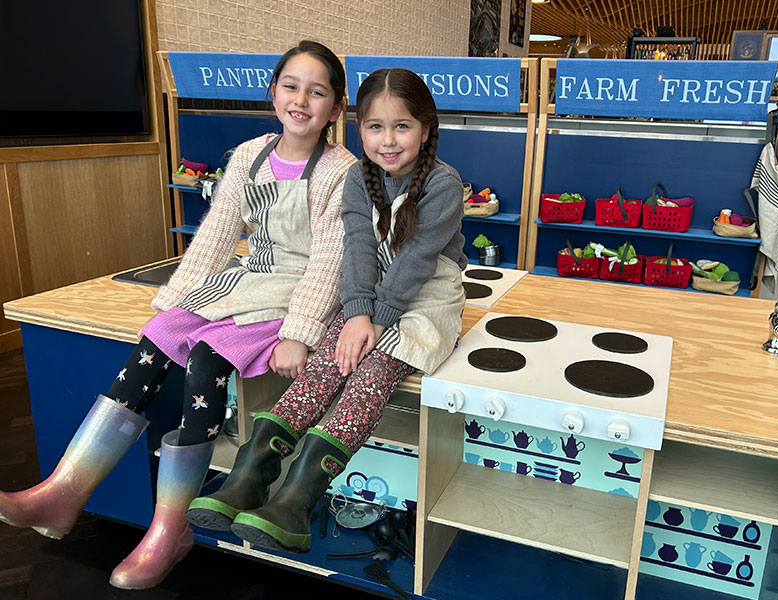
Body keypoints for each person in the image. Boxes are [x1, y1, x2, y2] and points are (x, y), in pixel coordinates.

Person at [0, 40, 357, 588]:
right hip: (248, 279)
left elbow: (330, 262)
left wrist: (300, 334)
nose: (301, 100)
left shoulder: (341, 169)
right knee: (155, 341)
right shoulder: (249, 154)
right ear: (273, 93)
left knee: (208, 360)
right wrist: (175, 306)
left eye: (317, 91)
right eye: (291, 86)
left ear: (336, 109)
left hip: (297, 294)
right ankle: (62, 491)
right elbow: (215, 238)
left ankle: (172, 528)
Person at [187, 67, 467, 554]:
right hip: (370, 289)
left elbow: (416, 264)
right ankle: (252, 474)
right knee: (325, 365)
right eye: (375, 127)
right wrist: (356, 314)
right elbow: (357, 247)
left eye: (402, 126)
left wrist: (374, 322)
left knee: (371, 371)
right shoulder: (358, 178)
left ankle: (298, 498)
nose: (388, 140)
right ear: (359, 129)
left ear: (426, 128)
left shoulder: (443, 185)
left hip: (426, 295)